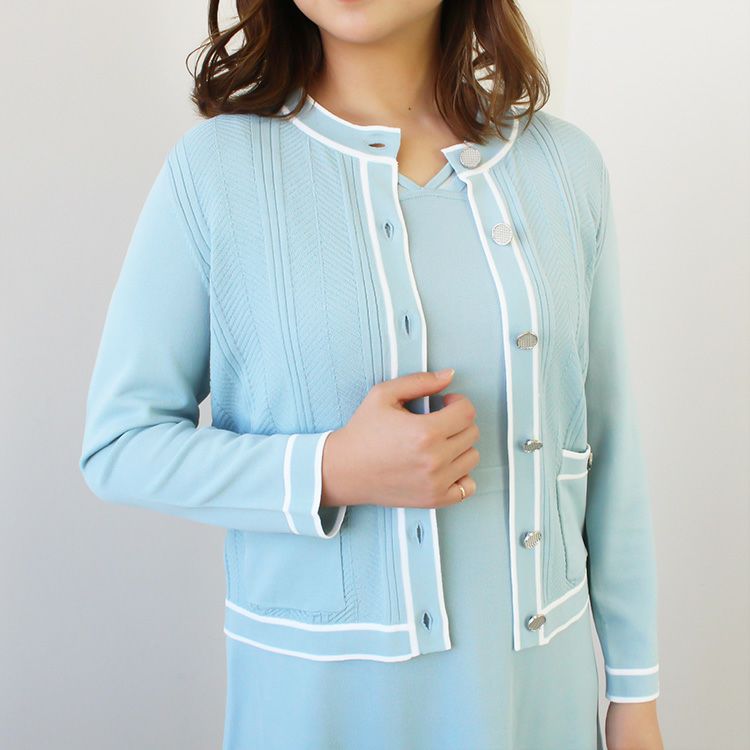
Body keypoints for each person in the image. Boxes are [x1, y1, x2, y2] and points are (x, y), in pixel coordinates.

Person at [79, 1, 664, 748]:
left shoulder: (563, 167)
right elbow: (119, 447)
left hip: (535, 698)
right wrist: (329, 470)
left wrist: (635, 694)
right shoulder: (216, 172)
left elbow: (607, 445)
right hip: (317, 706)